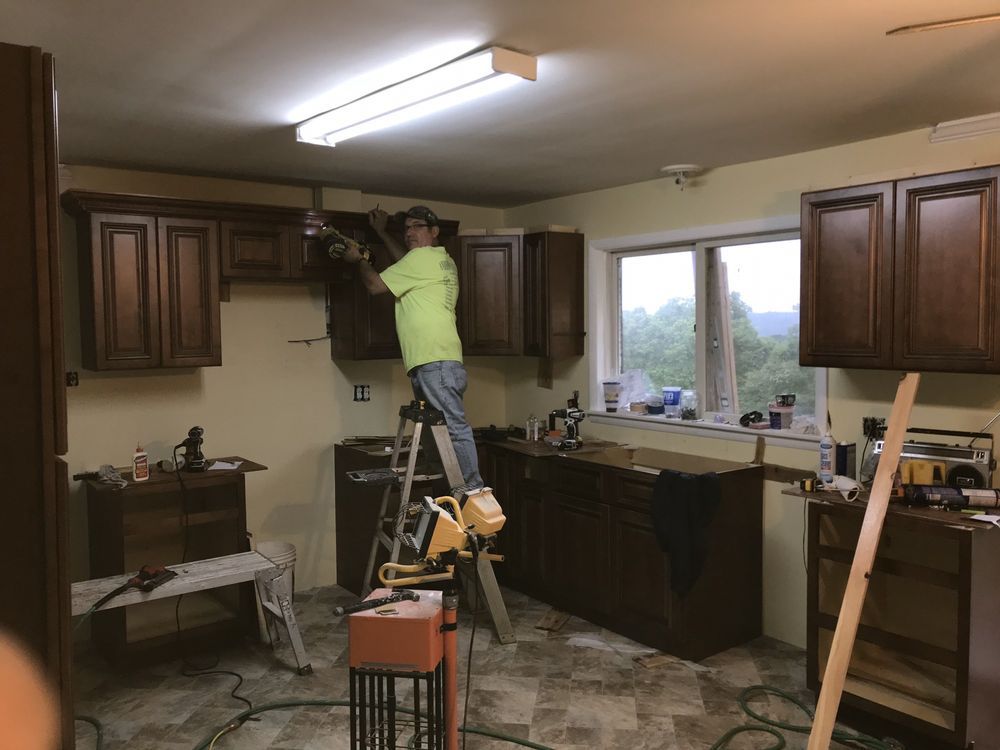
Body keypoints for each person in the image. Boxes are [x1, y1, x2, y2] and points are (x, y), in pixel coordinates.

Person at [341, 205, 483, 492]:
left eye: (417, 226)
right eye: (406, 228)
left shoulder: (421, 260)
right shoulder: (438, 260)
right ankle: (446, 482)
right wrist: (381, 231)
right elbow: (406, 261)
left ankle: (472, 492)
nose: (409, 232)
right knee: (437, 427)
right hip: (434, 359)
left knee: (453, 428)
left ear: (434, 231)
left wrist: (358, 259)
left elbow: (375, 285)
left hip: (435, 359)